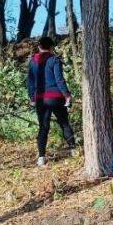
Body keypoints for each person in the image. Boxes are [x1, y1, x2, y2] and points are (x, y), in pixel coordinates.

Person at [27, 35, 76, 167]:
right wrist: (67, 95)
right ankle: (73, 150)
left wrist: (32, 98)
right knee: (64, 124)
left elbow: (30, 82)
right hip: (55, 97)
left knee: (43, 128)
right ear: (51, 47)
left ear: (39, 46)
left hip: (40, 99)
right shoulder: (54, 60)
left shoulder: (32, 61)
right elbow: (59, 79)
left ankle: (41, 157)